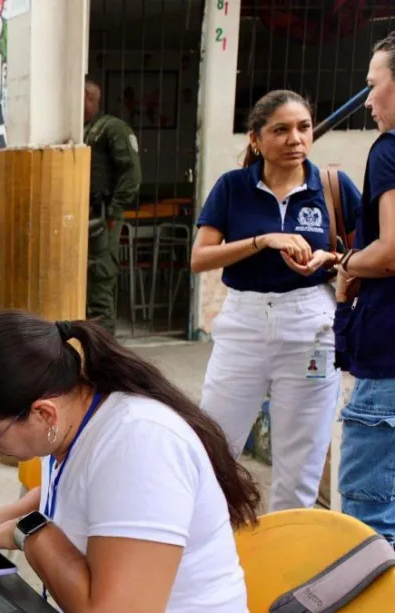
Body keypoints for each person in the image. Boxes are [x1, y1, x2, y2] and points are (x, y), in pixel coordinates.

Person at [0, 311, 260, 612]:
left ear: (42, 413)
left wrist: (27, 531)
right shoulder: (72, 419)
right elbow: (70, 495)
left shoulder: (139, 445)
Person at [191, 90, 360, 512]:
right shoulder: (233, 187)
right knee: (212, 447)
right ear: (256, 139)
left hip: (311, 323)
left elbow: (365, 257)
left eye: (303, 128)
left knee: (300, 462)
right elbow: (200, 257)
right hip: (244, 321)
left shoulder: (332, 186)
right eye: (280, 130)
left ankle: (290, 565)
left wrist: (332, 257)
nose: (295, 139)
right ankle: (211, 546)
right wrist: (261, 240)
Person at [335, 31, 395, 545]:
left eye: (375, 85)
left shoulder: (389, 151)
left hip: (389, 359)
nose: (369, 97)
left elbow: (392, 252)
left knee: (369, 524)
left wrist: (349, 263)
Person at [84, 77, 141, 335]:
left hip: (102, 216)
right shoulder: (82, 129)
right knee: (84, 284)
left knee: (99, 283)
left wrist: (114, 212)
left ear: (89, 97)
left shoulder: (112, 129)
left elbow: (131, 174)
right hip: (82, 217)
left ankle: (104, 355)